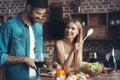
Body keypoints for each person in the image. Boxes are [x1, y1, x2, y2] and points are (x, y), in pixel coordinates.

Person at [0, 0, 48, 80]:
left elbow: (40, 53)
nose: (40, 17)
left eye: (42, 14)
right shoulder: (9, 26)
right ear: (28, 7)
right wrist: (24, 59)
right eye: (38, 13)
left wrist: (48, 62)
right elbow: (1, 56)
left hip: (37, 77)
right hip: (16, 77)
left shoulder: (39, 28)